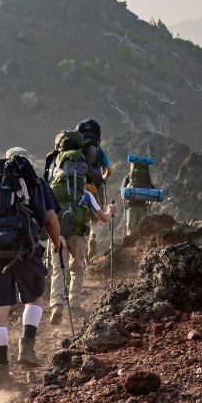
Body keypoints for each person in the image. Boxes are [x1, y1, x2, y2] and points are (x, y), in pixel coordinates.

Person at [0, 147, 65, 390]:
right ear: (25, 161)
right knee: (34, 300)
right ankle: (26, 347)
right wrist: (56, 242)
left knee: (0, 309)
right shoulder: (35, 181)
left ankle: (1, 373)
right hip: (25, 250)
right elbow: (51, 220)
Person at [47, 144, 117, 325]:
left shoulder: (52, 191)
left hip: (57, 236)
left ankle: (56, 305)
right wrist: (111, 211)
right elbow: (103, 219)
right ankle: (75, 306)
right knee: (77, 269)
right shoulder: (85, 193)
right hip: (78, 235)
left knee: (58, 270)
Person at [76, 119, 112, 258]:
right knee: (95, 219)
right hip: (95, 187)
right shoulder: (100, 150)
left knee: (83, 219)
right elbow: (109, 170)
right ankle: (93, 239)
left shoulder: (78, 151)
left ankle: (84, 245)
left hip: (80, 187)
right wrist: (102, 179)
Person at [122, 158, 156, 236]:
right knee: (142, 231)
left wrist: (125, 200)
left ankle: (130, 246)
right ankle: (140, 246)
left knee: (131, 230)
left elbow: (123, 193)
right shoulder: (146, 179)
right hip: (143, 206)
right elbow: (152, 194)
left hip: (131, 206)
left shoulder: (128, 178)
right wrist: (149, 203)